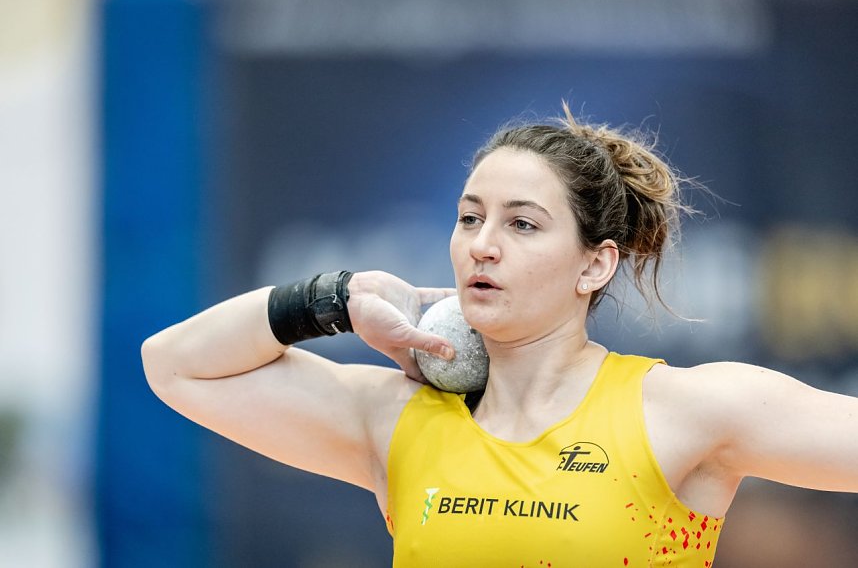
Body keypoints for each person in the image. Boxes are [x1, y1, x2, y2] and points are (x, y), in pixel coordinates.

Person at [141, 103, 858, 567]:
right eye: (469, 217)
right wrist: (335, 298)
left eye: (521, 223)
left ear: (593, 263)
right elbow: (174, 365)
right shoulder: (397, 420)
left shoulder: (681, 412)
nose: (483, 244)